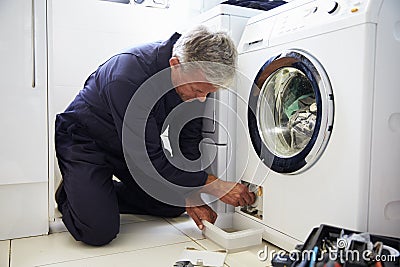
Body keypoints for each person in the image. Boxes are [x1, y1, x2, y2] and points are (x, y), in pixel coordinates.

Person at [55, 25, 256, 246]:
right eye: (198, 91)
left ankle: (98, 192)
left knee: (172, 204)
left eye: (209, 93)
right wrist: (213, 184)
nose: (202, 99)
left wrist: (192, 192)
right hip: (85, 141)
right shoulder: (128, 76)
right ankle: (71, 193)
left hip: (130, 148)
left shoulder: (194, 79)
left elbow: (188, 139)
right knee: (97, 231)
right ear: (175, 65)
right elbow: (149, 157)